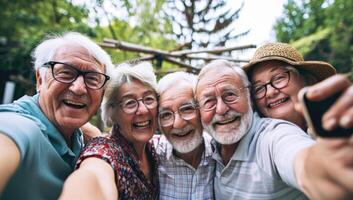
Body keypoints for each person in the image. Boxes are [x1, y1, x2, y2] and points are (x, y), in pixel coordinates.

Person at [195, 59, 353, 200]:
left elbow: (300, 159)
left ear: (249, 99)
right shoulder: (208, 149)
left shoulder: (272, 136)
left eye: (230, 94)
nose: (221, 109)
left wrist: (329, 167)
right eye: (209, 102)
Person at [0, 32, 113, 200]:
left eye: (93, 79)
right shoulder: (19, 126)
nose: (79, 88)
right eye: (66, 73)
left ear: (102, 93)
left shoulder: (75, 135)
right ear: (40, 80)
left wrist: (96, 136)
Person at [60, 62, 159, 200]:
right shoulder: (103, 151)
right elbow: (94, 177)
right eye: (129, 103)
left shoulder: (156, 148)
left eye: (149, 99)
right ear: (112, 113)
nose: (143, 110)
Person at [243, 42, 353, 133]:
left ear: (307, 81)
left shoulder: (339, 120)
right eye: (258, 88)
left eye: (279, 78)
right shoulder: (256, 145)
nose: (270, 92)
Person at [153, 72, 214, 200]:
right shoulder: (150, 155)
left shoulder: (221, 154)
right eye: (166, 115)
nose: (178, 124)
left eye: (187, 109)